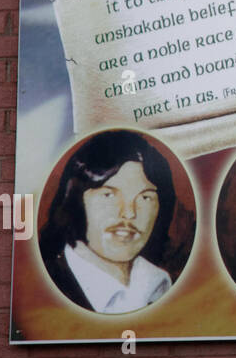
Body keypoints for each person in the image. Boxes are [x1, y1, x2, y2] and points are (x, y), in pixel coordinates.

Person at [38, 129, 179, 314]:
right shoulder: (43, 290)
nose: (129, 213)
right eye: (109, 195)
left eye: (145, 198)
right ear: (75, 200)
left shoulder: (161, 285)